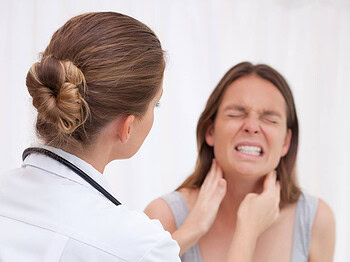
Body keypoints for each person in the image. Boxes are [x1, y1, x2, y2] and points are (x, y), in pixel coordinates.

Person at [0, 13, 281, 262]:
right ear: (127, 127)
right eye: (155, 105)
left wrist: (189, 232)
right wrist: (249, 230)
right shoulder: (139, 244)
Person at [145, 62, 336, 262]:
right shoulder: (164, 216)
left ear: (286, 142)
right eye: (236, 114)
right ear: (210, 131)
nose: (252, 126)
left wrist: (248, 229)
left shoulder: (315, 220)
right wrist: (240, 232)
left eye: (270, 120)